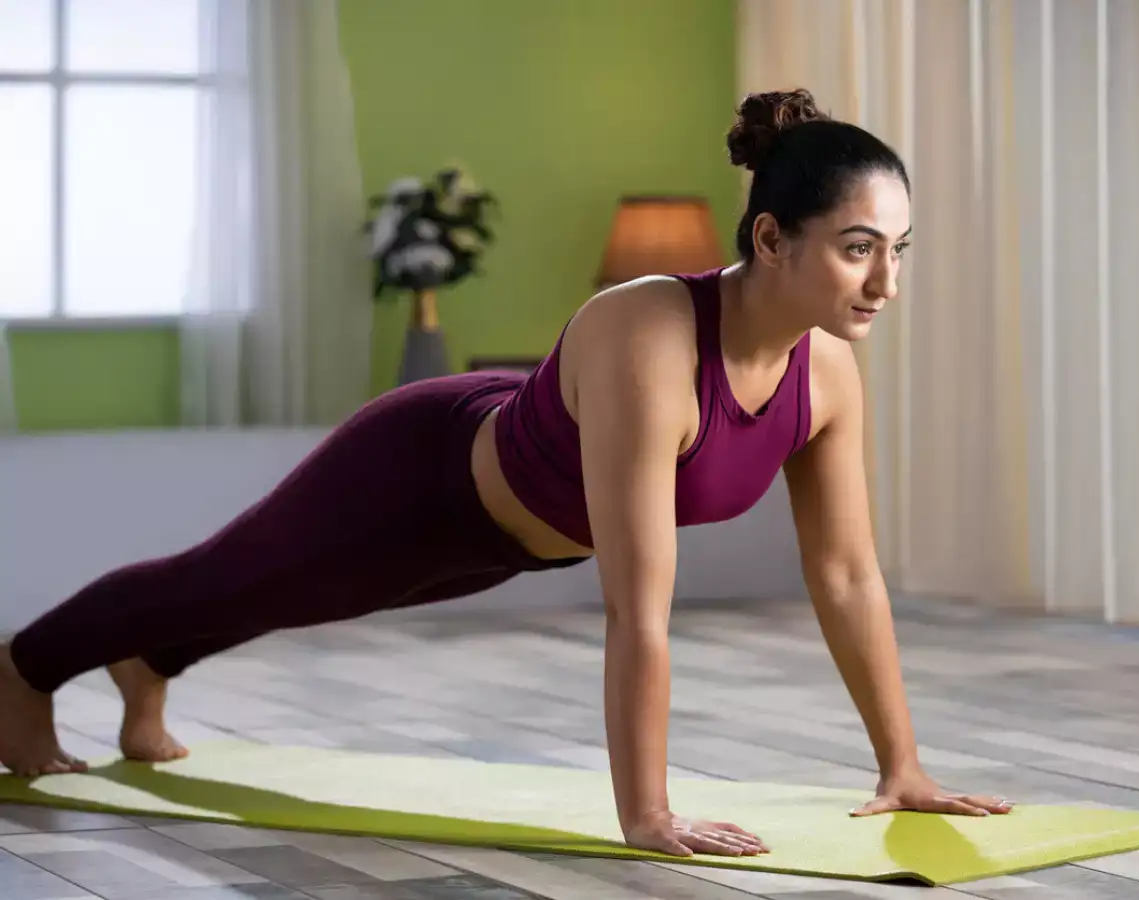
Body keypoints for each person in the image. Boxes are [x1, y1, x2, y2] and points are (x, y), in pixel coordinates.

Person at [0, 87, 1013, 858]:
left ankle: (149, 666)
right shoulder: (649, 333)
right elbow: (639, 612)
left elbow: (845, 576)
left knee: (299, 595)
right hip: (419, 472)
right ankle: (23, 670)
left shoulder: (825, 375)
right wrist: (645, 812)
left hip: (503, 544)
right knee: (228, 574)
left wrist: (902, 765)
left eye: (899, 249)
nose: (886, 281)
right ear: (770, 238)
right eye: (857, 248)